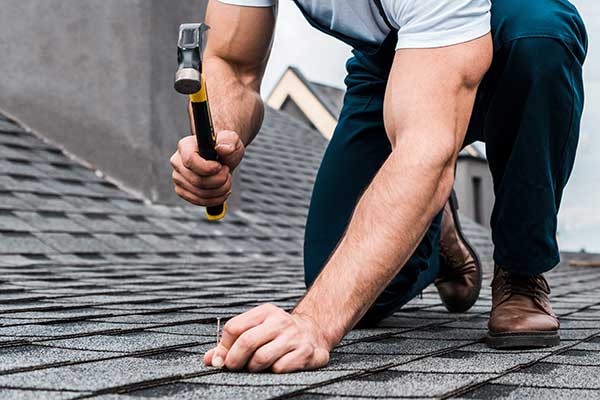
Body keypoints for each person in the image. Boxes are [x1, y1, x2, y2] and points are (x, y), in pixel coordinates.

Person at [169, 0, 587, 373]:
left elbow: (427, 149)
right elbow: (232, 64)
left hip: (509, 27)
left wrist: (314, 323)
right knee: (347, 284)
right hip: (391, 56)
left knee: (541, 36)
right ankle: (438, 234)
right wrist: (220, 138)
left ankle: (521, 271)